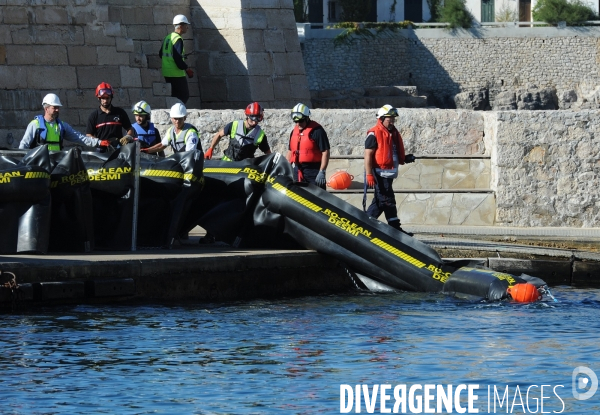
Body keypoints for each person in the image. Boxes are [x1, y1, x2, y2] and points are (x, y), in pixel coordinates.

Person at [364, 105, 416, 236]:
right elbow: (368, 155)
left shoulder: (393, 134)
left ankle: (364, 224)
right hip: (379, 173)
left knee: (379, 202)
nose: (392, 121)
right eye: (389, 119)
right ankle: (395, 229)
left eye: (393, 119)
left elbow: (392, 153)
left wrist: (404, 158)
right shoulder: (374, 133)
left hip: (388, 173)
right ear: (381, 119)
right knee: (387, 200)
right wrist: (369, 174)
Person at [19, 93, 109, 151]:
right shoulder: (35, 125)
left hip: (56, 163)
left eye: (58, 107)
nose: (57, 110)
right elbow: (24, 145)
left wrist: (99, 142)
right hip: (39, 165)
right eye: (55, 107)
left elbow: (79, 138)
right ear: (46, 108)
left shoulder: (62, 126)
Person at [204, 102, 271, 161]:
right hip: (227, 162)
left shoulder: (260, 134)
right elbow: (219, 135)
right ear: (247, 116)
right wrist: (211, 149)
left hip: (245, 166)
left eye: (257, 121)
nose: (254, 123)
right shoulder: (234, 125)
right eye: (252, 120)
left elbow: (268, 152)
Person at [287, 103, 330, 189]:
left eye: (301, 121)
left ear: (307, 118)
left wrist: (322, 171)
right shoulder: (294, 132)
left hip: (313, 171)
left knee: (317, 198)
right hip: (297, 170)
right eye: (296, 122)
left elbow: (326, 151)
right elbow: (290, 151)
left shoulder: (317, 131)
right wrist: (287, 168)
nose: (298, 124)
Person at [86, 82, 135, 149]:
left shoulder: (120, 112)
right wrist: (99, 142)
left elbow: (130, 129)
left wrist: (128, 137)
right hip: (101, 152)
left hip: (118, 150)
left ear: (111, 97)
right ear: (98, 98)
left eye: (107, 98)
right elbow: (89, 135)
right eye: (103, 98)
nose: (105, 101)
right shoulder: (94, 116)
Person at [160, 14, 193, 104]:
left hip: (167, 73)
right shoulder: (178, 39)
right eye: (186, 25)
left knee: (174, 97)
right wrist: (186, 68)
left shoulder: (167, 38)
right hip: (176, 74)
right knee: (183, 96)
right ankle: (178, 114)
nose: (187, 28)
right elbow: (177, 58)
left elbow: (161, 54)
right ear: (181, 26)